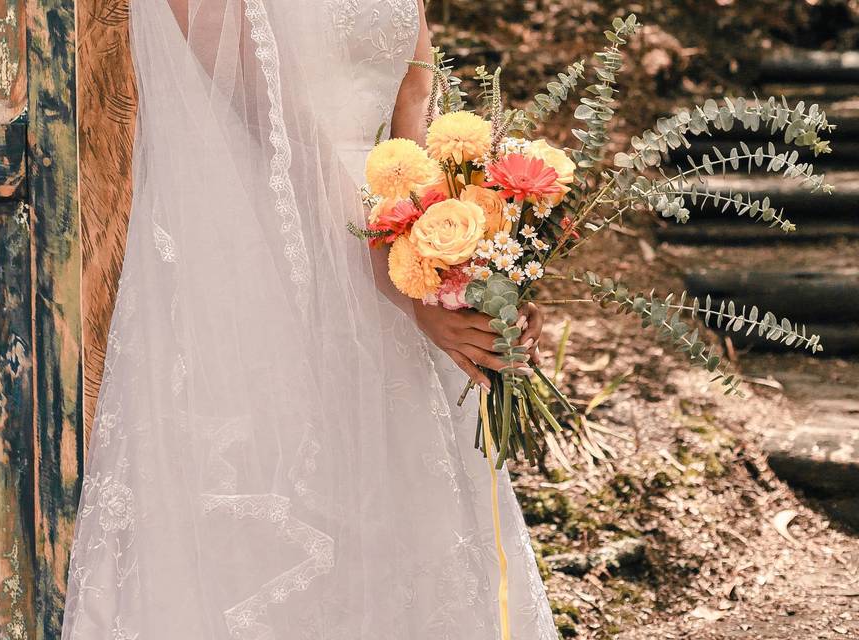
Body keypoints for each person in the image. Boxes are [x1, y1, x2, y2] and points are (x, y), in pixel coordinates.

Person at [62, 1, 557, 638]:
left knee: (408, 516)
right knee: (298, 518)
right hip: (272, 260)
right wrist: (402, 284)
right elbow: (279, 134)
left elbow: (415, 95)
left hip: (392, 228)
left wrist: (472, 266)